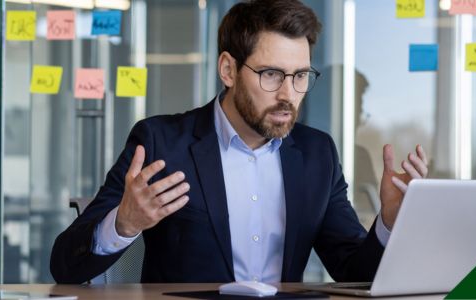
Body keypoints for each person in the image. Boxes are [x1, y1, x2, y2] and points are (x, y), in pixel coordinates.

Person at [50, 0, 428, 284]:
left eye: (300, 76)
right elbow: (65, 266)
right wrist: (124, 223)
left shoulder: (316, 155)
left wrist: (390, 224)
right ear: (228, 69)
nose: (288, 94)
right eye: (271, 74)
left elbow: (354, 273)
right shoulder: (162, 142)